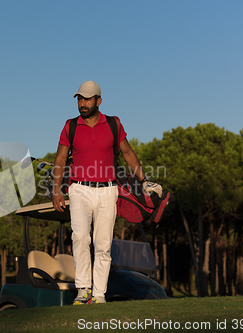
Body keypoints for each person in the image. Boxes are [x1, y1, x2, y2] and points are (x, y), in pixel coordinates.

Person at [52, 80, 162, 304]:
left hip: (108, 190)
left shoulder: (113, 124)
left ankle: (99, 294)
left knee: (103, 244)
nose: (82, 103)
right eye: (79, 99)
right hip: (79, 189)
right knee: (81, 237)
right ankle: (83, 290)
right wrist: (55, 190)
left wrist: (144, 180)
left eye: (87, 99)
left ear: (98, 101)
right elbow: (61, 158)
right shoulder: (70, 126)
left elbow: (128, 153)